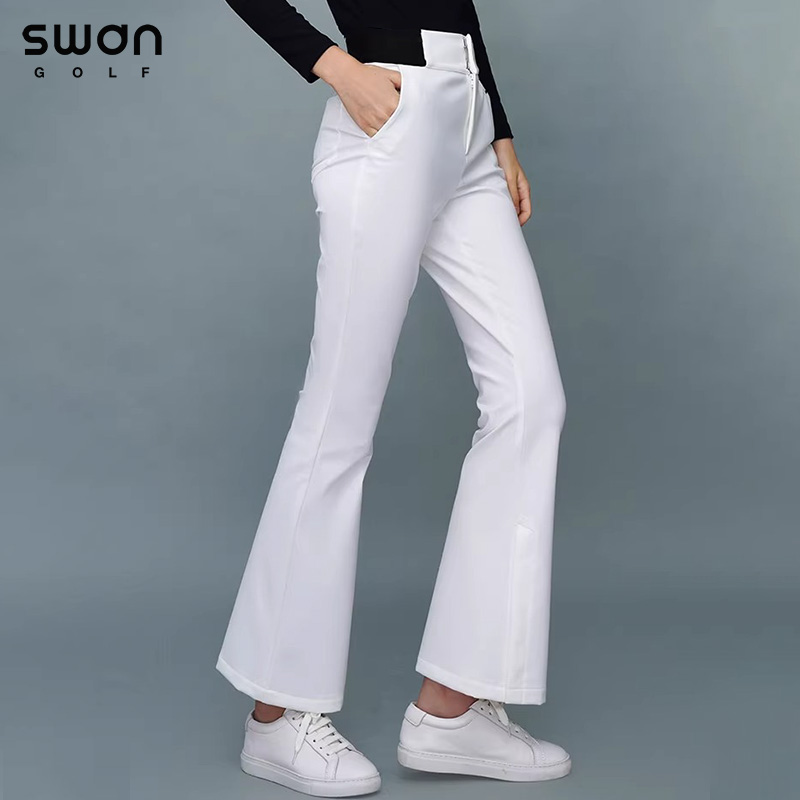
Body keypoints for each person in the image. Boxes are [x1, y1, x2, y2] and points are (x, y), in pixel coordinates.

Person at [215, 1, 570, 795]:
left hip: (467, 123)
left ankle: (452, 709)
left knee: (531, 399)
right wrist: (334, 66)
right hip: (387, 120)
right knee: (338, 419)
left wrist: (497, 125)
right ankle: (276, 715)